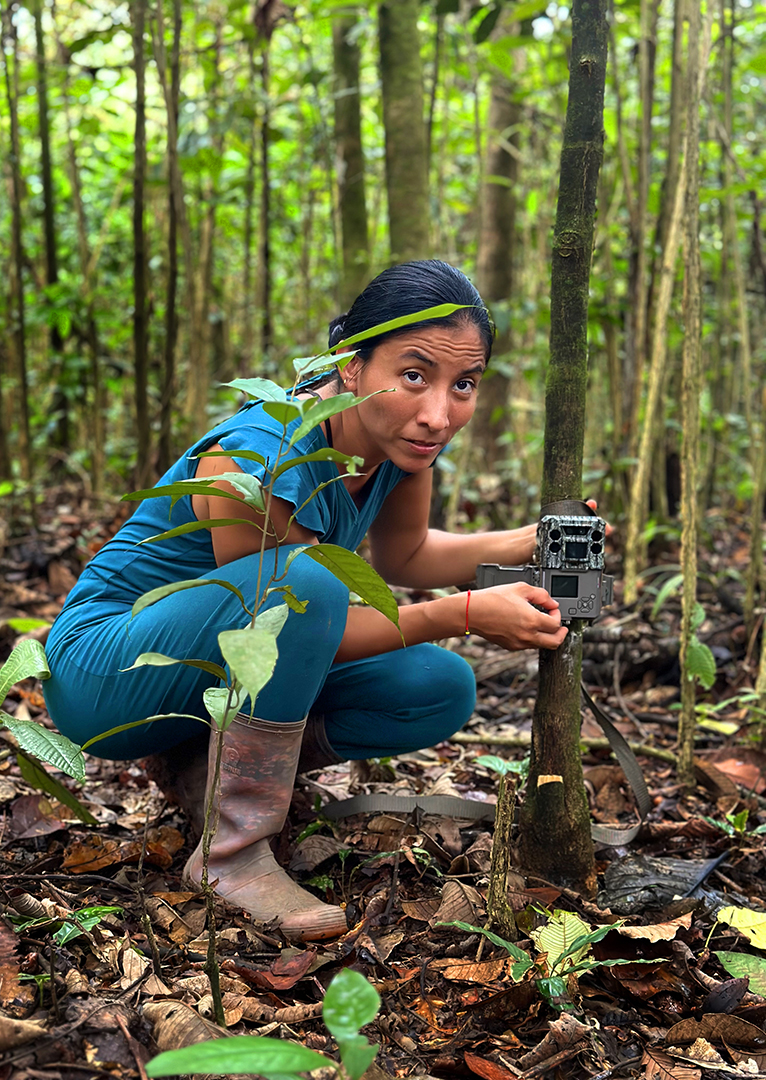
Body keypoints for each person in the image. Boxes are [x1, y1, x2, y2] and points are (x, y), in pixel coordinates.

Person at [44, 260, 571, 942]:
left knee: (438, 686)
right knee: (306, 578)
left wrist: (539, 539)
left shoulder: (400, 449)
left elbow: (406, 558)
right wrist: (464, 613)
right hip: (103, 675)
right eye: (414, 376)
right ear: (350, 366)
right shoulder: (255, 451)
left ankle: (201, 769)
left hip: (206, 682)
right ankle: (231, 854)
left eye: (462, 384)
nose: (439, 413)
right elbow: (285, 612)